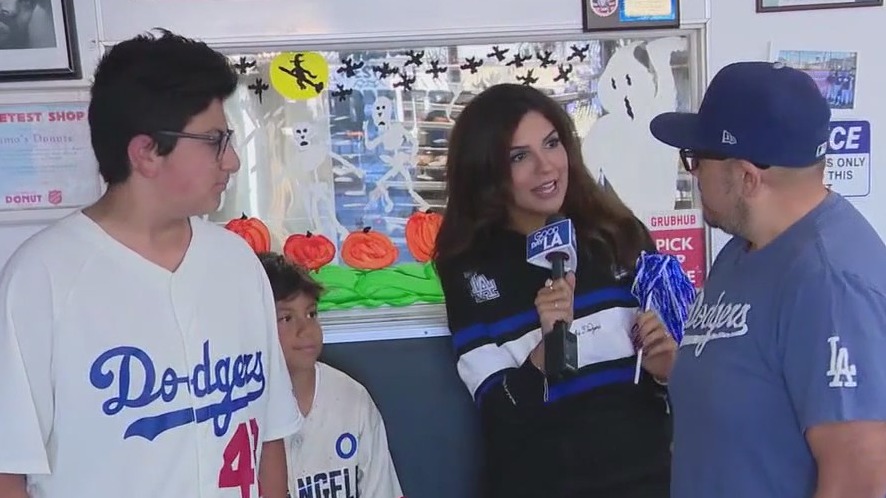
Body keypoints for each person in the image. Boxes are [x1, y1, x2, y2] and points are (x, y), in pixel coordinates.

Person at [0, 30, 301, 498]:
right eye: (215, 141)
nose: (233, 161)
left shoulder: (237, 263)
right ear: (145, 153)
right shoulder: (41, 278)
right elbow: (8, 468)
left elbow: (270, 435)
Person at [649, 61, 886, 498]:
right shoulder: (740, 253)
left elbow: (861, 480)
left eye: (696, 159)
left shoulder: (829, 283)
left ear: (746, 177)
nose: (693, 172)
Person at [434, 83, 676, 498]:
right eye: (519, 156)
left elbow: (670, 385)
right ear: (486, 171)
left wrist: (669, 369)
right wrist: (548, 349)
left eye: (552, 144)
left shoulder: (620, 235)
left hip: (649, 480)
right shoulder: (470, 272)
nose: (546, 168)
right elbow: (501, 416)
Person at [257, 252, 405, 498]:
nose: (306, 329)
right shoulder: (239, 408)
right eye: (286, 318)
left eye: (311, 313)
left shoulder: (352, 399)